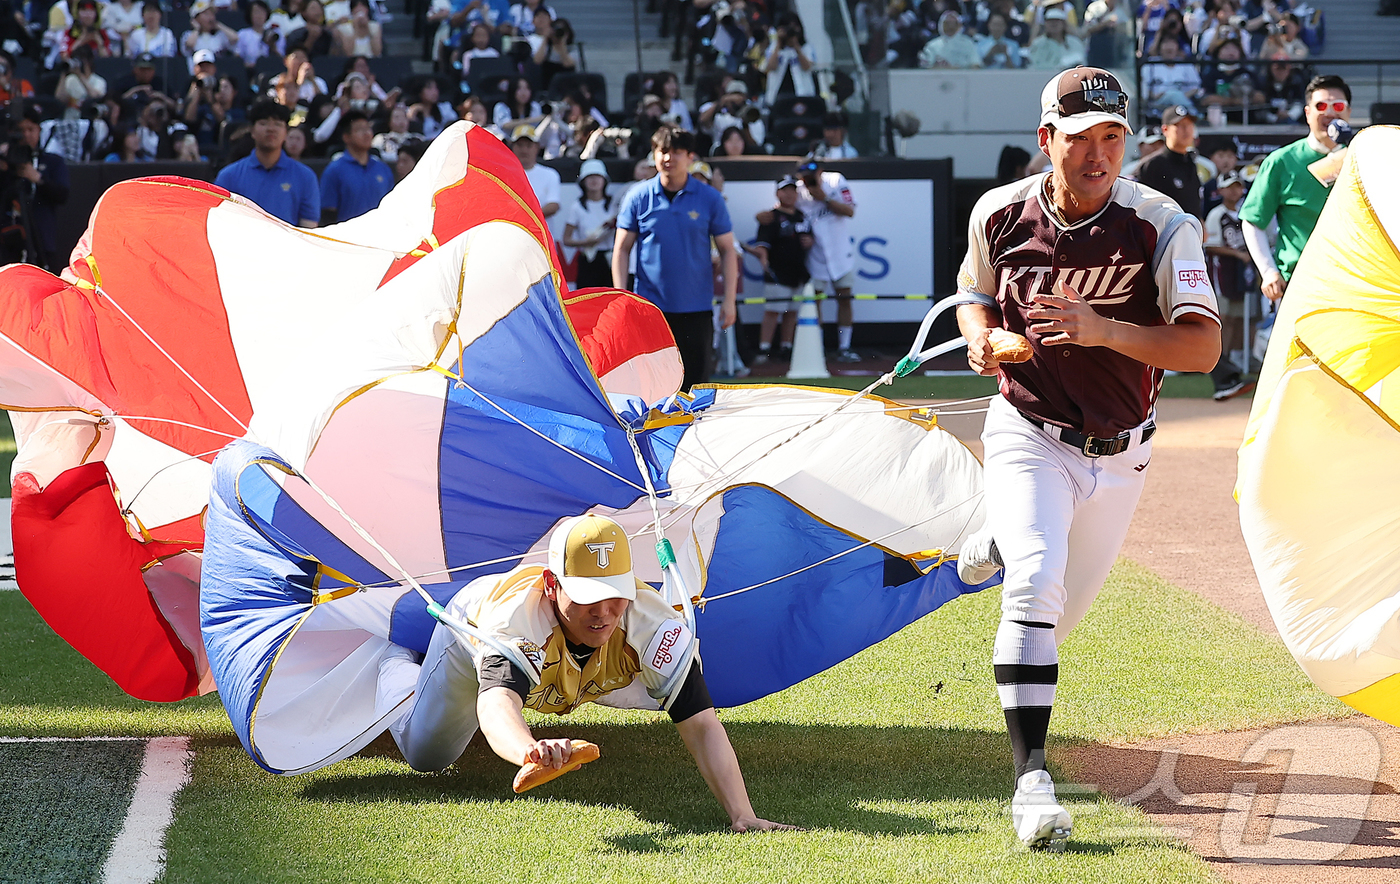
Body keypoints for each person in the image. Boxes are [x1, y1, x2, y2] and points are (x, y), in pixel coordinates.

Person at [954, 66, 1220, 851]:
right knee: (1034, 591)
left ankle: (1002, 538)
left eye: (1112, 137)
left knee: (1053, 620)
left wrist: (1106, 330)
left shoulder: (1160, 222)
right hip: (1028, 428)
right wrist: (978, 336)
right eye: (1079, 140)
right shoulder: (1000, 213)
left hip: (1122, 452)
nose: (1098, 155)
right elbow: (973, 291)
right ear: (1048, 141)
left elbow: (1204, 345)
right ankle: (1031, 783)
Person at [375, 514, 795, 832]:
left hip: (580, 671)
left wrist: (744, 816)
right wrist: (530, 751)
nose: (603, 611)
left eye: (614, 594)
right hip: (471, 634)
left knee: (672, 678)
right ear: (551, 585)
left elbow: (701, 722)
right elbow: (497, 702)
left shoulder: (650, 622)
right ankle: (394, 661)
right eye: (588, 596)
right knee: (426, 755)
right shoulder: (516, 622)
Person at [613, 125, 737, 392]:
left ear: (691, 157)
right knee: (651, 390)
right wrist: (622, 298)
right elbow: (621, 249)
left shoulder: (710, 198)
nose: (669, 158)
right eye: (663, 151)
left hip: (697, 308)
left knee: (696, 391)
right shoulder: (637, 197)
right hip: (650, 309)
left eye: (677, 152)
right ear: (654, 155)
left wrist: (729, 301)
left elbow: (728, 250)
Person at [1240, 74, 1350, 304]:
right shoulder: (1281, 161)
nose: (1330, 112)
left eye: (1338, 106)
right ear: (1308, 113)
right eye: (1321, 106)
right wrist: (1268, 270)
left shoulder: (1362, 157)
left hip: (1355, 283)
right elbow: (1253, 220)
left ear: (1348, 112)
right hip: (1300, 285)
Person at [793, 156, 859, 362]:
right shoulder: (797, 192)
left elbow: (850, 211)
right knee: (815, 301)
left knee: (845, 298)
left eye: (812, 176)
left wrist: (825, 198)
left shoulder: (836, 181)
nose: (809, 181)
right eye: (805, 178)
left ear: (820, 171)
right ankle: (817, 348)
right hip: (817, 255)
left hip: (840, 253)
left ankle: (844, 347)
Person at [214, 100, 319, 227]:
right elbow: (220, 224)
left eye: (277, 124)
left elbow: (309, 227)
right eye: (263, 123)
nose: (271, 129)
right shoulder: (229, 176)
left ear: (286, 132)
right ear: (252, 131)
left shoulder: (305, 177)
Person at [751, 175, 813, 364]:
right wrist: (763, 259)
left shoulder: (802, 216)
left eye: (792, 190)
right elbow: (762, 245)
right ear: (778, 193)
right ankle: (765, 348)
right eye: (785, 190)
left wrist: (810, 241)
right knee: (773, 311)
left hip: (798, 273)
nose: (789, 194)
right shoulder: (770, 217)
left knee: (792, 312)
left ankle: (787, 347)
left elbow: (810, 239)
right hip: (777, 273)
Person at [1203, 171, 1254, 401]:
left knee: (1244, 318)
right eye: (1229, 187)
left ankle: (1237, 359)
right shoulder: (1217, 214)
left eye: (1237, 186)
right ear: (1221, 190)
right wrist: (1236, 253)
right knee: (1225, 319)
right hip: (1222, 274)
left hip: (1245, 273)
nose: (1234, 191)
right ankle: (1221, 361)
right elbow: (1210, 246)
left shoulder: (1247, 212)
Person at [7, 103, 70, 271]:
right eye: (22, 130)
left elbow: (62, 195)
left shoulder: (53, 162)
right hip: (10, 237)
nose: (26, 135)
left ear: (39, 131)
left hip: (42, 237)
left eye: (31, 129)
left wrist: (38, 179)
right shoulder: (7, 162)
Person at [319, 109, 392, 224]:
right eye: (359, 130)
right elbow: (328, 214)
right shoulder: (334, 170)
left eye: (368, 128)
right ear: (346, 137)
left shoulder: (382, 168)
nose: (367, 133)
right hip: (347, 239)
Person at [1132, 104, 1202, 218]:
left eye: (1189, 124)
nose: (1186, 130)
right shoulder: (1152, 165)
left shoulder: (1190, 162)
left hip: (1190, 231)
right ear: (1165, 129)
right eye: (1179, 125)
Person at [562, 158, 615, 288]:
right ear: (583, 182)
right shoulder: (577, 207)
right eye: (590, 177)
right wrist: (586, 243)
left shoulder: (614, 205)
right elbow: (566, 239)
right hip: (588, 260)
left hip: (611, 259)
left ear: (604, 180)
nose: (594, 181)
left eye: (598, 176)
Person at [508, 123, 560, 224]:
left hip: (541, 236)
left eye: (529, 145)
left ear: (537, 147)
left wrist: (524, 218)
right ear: (512, 147)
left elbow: (553, 205)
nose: (524, 150)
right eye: (520, 145)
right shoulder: (503, 175)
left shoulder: (550, 174)